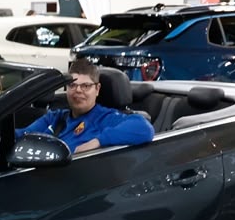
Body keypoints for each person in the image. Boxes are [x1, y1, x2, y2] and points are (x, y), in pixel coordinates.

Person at [16, 60, 153, 153]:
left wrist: (98, 141)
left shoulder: (105, 119)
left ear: (97, 89)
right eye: (72, 85)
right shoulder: (54, 118)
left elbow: (144, 128)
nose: (78, 90)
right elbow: (22, 136)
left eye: (86, 86)